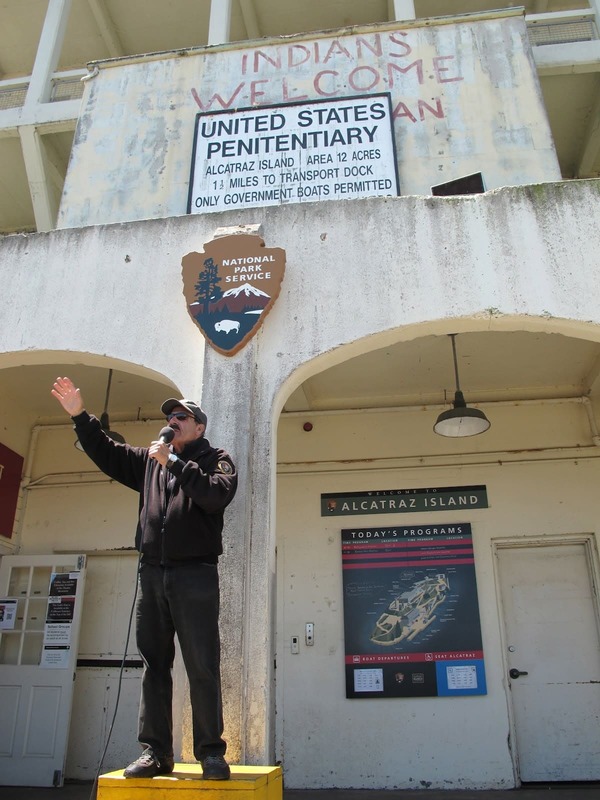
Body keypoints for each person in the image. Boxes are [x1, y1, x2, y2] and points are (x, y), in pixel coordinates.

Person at [51, 376, 237, 781]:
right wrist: (80, 416)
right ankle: (156, 752)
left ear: (199, 427)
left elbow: (215, 495)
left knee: (202, 665)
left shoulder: (214, 459)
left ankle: (210, 753)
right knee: (154, 664)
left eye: (182, 416)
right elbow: (107, 451)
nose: (172, 420)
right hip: (152, 575)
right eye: (170, 416)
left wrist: (173, 462)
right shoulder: (150, 461)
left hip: (195, 575)